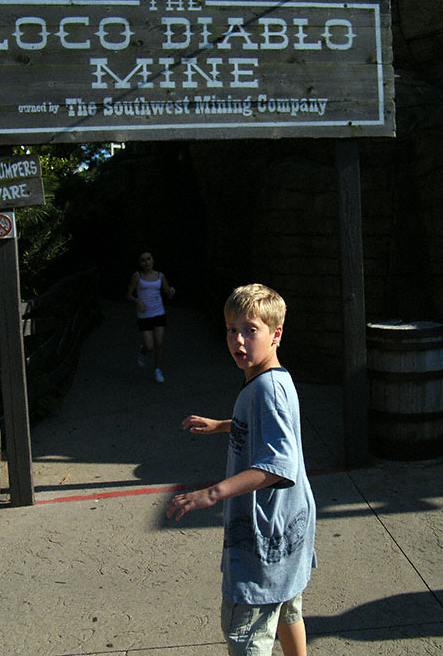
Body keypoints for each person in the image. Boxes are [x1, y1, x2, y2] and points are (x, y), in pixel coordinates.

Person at [167, 283, 316, 656]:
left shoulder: (267, 390)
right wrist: (221, 425)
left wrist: (209, 494)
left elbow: (279, 466)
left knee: (246, 632)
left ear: (276, 334)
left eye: (251, 330)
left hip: (266, 534)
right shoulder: (273, 381)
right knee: (286, 609)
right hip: (287, 528)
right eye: (232, 330)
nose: (239, 341)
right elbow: (266, 427)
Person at [126, 251, 175, 383]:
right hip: (144, 314)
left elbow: (168, 293)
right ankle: (143, 351)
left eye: (149, 259)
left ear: (153, 261)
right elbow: (128, 295)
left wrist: (171, 291)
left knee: (159, 343)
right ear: (140, 263)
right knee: (149, 345)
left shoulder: (160, 276)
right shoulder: (137, 276)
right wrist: (138, 302)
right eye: (143, 260)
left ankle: (157, 370)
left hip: (159, 312)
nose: (146, 262)